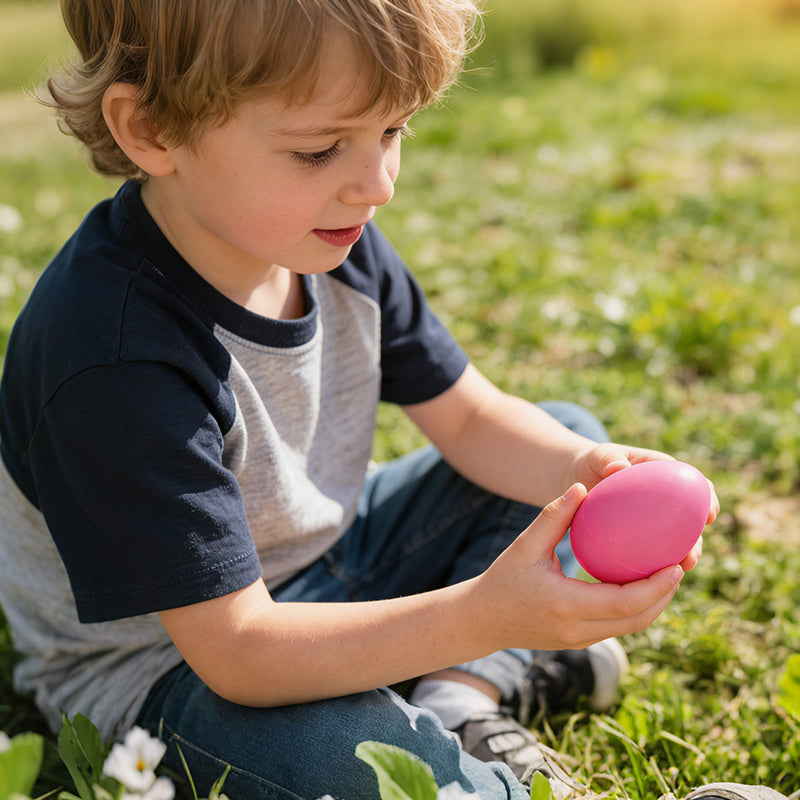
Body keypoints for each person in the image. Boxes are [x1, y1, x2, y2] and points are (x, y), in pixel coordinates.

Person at [0, 1, 784, 798]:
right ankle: (486, 733)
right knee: (352, 762)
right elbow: (241, 653)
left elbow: (473, 418)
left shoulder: (328, 242)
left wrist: (586, 466)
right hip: (174, 672)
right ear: (152, 130)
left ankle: (456, 696)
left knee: (562, 449)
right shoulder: (112, 354)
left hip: (331, 561)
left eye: (392, 132)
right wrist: (488, 616)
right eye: (319, 148)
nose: (376, 185)